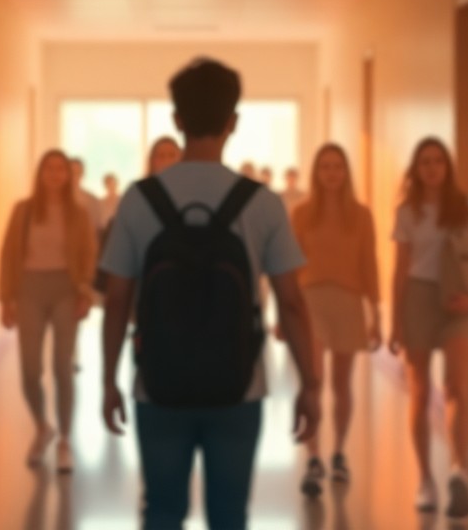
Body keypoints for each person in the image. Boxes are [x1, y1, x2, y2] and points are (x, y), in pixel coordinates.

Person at [99, 58, 321, 529]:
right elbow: (293, 302)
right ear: (232, 122)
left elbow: (117, 299)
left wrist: (107, 381)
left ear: (176, 121)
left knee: (161, 511)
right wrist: (312, 384)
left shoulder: (139, 200)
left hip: (157, 386)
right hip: (239, 385)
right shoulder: (262, 203)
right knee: (229, 515)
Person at [389, 137, 468, 520]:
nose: (432, 168)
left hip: (459, 300)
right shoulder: (407, 212)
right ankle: (425, 479)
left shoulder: (467, 206)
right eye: (425, 162)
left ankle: (458, 470)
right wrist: (395, 321)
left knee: (457, 386)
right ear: (416, 170)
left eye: (438, 161)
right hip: (418, 297)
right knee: (419, 390)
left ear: (447, 166)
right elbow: (400, 270)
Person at [0, 149, 98, 474]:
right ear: (40, 174)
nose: (55, 174)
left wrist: (85, 291)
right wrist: (6, 298)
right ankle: (43, 427)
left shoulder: (78, 214)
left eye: (61, 169)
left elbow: (88, 254)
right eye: (49, 168)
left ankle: (65, 440)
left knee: (62, 367)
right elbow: (8, 254)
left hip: (66, 290)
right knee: (29, 368)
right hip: (29, 289)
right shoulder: (23, 211)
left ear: (69, 176)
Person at [290, 144, 380, 498]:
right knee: (313, 379)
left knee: (342, 383)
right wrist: (286, 312)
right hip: (310, 299)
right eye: (325, 166)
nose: (331, 173)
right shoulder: (301, 214)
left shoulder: (360, 215)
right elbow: (289, 264)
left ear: (346, 173)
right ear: (316, 172)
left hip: (348, 299)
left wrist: (377, 312)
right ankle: (313, 457)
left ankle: (339, 452)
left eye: (338, 167)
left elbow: (369, 263)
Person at [69, 157, 104, 233]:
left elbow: (97, 228)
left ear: (82, 174)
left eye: (77, 172)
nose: (74, 176)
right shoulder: (54, 201)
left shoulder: (92, 200)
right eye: (71, 172)